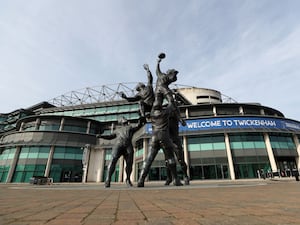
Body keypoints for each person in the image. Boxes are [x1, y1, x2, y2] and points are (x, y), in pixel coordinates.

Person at [137, 100, 183, 187]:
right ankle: (175, 180)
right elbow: (171, 104)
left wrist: (142, 107)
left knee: (149, 159)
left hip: (154, 138)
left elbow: (141, 103)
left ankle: (141, 180)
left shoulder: (152, 114)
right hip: (164, 137)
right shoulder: (165, 113)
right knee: (170, 157)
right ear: (161, 107)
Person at [97, 117, 144, 188]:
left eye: (125, 118)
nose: (125, 119)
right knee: (113, 161)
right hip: (118, 145)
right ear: (120, 122)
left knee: (129, 163)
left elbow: (138, 126)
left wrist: (140, 120)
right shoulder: (117, 130)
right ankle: (108, 179)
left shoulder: (130, 128)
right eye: (123, 119)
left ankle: (128, 179)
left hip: (128, 145)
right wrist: (101, 136)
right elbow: (110, 136)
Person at [165, 102, 190, 185]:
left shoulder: (176, 115)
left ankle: (185, 176)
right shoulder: (164, 117)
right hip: (168, 140)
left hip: (175, 140)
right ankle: (169, 178)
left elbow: (180, 119)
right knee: (167, 161)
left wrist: (182, 121)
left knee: (180, 160)